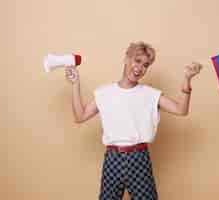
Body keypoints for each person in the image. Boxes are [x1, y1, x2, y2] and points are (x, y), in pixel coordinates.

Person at [65, 41, 202, 200]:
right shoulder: (104, 93)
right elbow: (80, 116)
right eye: (137, 61)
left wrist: (187, 79)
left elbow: (181, 110)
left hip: (139, 158)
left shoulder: (150, 94)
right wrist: (75, 84)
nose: (139, 68)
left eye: (145, 65)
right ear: (126, 59)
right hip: (112, 158)